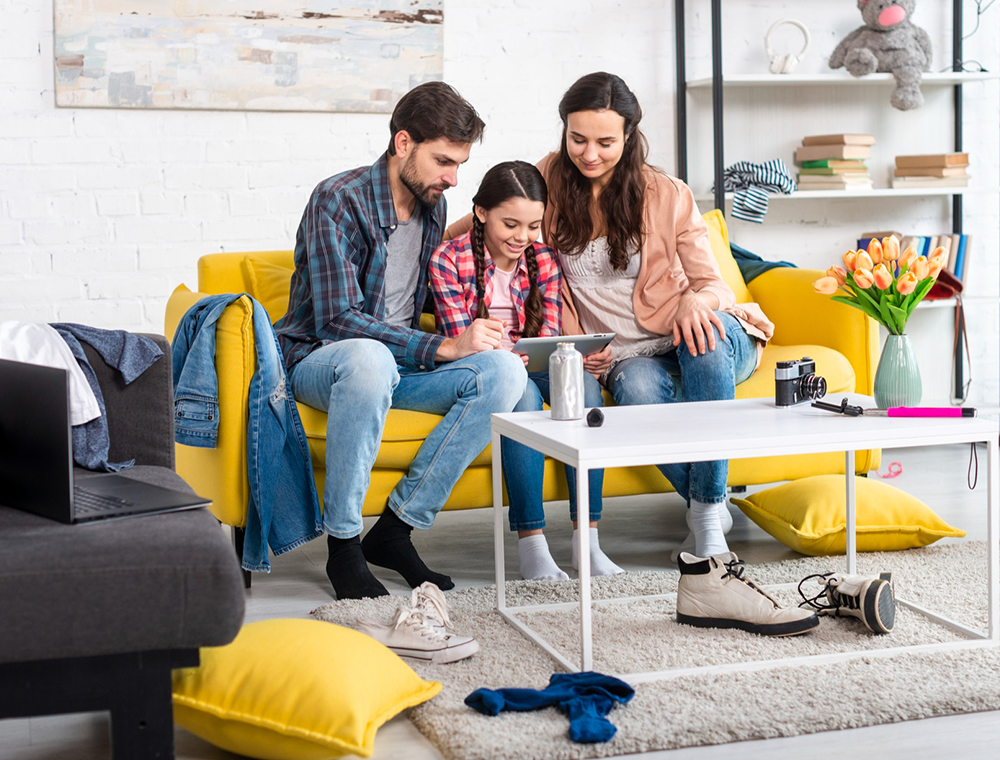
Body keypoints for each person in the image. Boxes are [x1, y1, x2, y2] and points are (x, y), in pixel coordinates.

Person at [275, 82, 527, 600]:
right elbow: (338, 320)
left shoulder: (432, 203)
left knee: (506, 373)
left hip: (402, 371)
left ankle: (395, 528)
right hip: (323, 363)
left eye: (459, 164)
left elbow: (429, 289)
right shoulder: (337, 200)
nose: (453, 178)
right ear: (404, 144)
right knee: (368, 358)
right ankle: (343, 545)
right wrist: (443, 348)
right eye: (443, 161)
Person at [540, 72, 773, 561]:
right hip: (629, 356)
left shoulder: (667, 193)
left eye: (606, 142)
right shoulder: (545, 183)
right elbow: (485, 222)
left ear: (629, 136)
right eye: (577, 139)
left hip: (699, 332)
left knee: (702, 342)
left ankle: (708, 520)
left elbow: (713, 286)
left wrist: (695, 301)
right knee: (638, 389)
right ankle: (707, 499)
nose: (589, 154)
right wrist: (576, 341)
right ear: (564, 131)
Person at [430, 161, 621, 582]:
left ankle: (587, 540)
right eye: (511, 224)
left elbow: (549, 335)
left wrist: (574, 356)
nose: (522, 237)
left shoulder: (544, 260)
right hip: (485, 367)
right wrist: (506, 355)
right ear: (481, 212)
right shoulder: (448, 259)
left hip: (530, 360)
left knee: (584, 390)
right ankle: (532, 543)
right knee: (527, 397)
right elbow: (459, 338)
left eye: (533, 226)